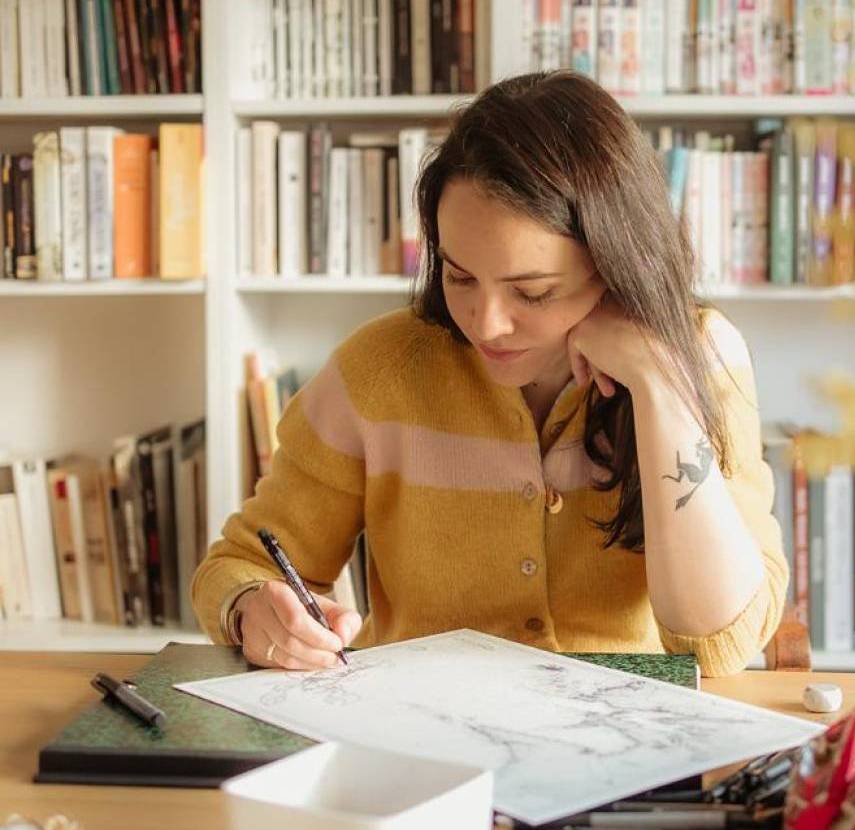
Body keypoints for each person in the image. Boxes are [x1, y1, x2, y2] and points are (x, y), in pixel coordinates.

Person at [191, 71, 787, 678]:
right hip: (428, 745)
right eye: (459, 278)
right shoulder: (379, 370)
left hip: (635, 751)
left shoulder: (703, 354)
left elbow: (718, 644)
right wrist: (251, 610)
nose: (486, 323)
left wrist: (661, 387)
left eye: (533, 292)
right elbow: (241, 564)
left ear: (615, 267)